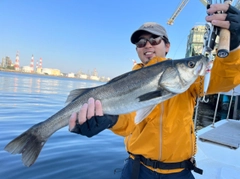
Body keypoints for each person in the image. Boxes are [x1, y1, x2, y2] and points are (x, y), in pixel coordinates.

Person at [68, 3, 240, 179]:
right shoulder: (127, 81)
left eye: (155, 40)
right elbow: (129, 121)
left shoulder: (190, 79)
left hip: (180, 171)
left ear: (167, 46)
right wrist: (111, 119)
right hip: (137, 170)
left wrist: (234, 47)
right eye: (141, 42)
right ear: (137, 50)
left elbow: (223, 81)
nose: (147, 45)